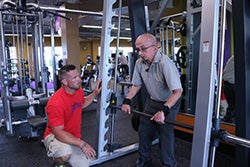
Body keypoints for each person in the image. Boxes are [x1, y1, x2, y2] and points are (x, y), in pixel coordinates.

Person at [121, 33, 183, 167]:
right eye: (138, 50)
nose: (140, 53)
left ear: (155, 48)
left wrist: (164, 111)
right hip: (153, 101)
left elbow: (177, 92)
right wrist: (127, 100)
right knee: (144, 130)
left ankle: (169, 164)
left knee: (165, 134)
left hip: (169, 102)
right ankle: (144, 161)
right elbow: (136, 85)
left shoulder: (165, 63)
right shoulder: (139, 63)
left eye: (143, 49)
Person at [43, 64, 102, 167]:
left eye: (78, 76)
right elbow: (59, 133)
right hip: (54, 136)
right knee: (65, 153)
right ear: (64, 82)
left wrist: (95, 93)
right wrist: (82, 144)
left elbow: (82, 103)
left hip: (72, 136)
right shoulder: (55, 103)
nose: (79, 79)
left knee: (86, 162)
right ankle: (58, 164)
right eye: (74, 78)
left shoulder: (78, 91)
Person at [222, 56, 235, 123]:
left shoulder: (233, 57)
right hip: (233, 84)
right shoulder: (242, 56)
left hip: (228, 84)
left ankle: (229, 121)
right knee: (234, 108)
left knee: (232, 107)